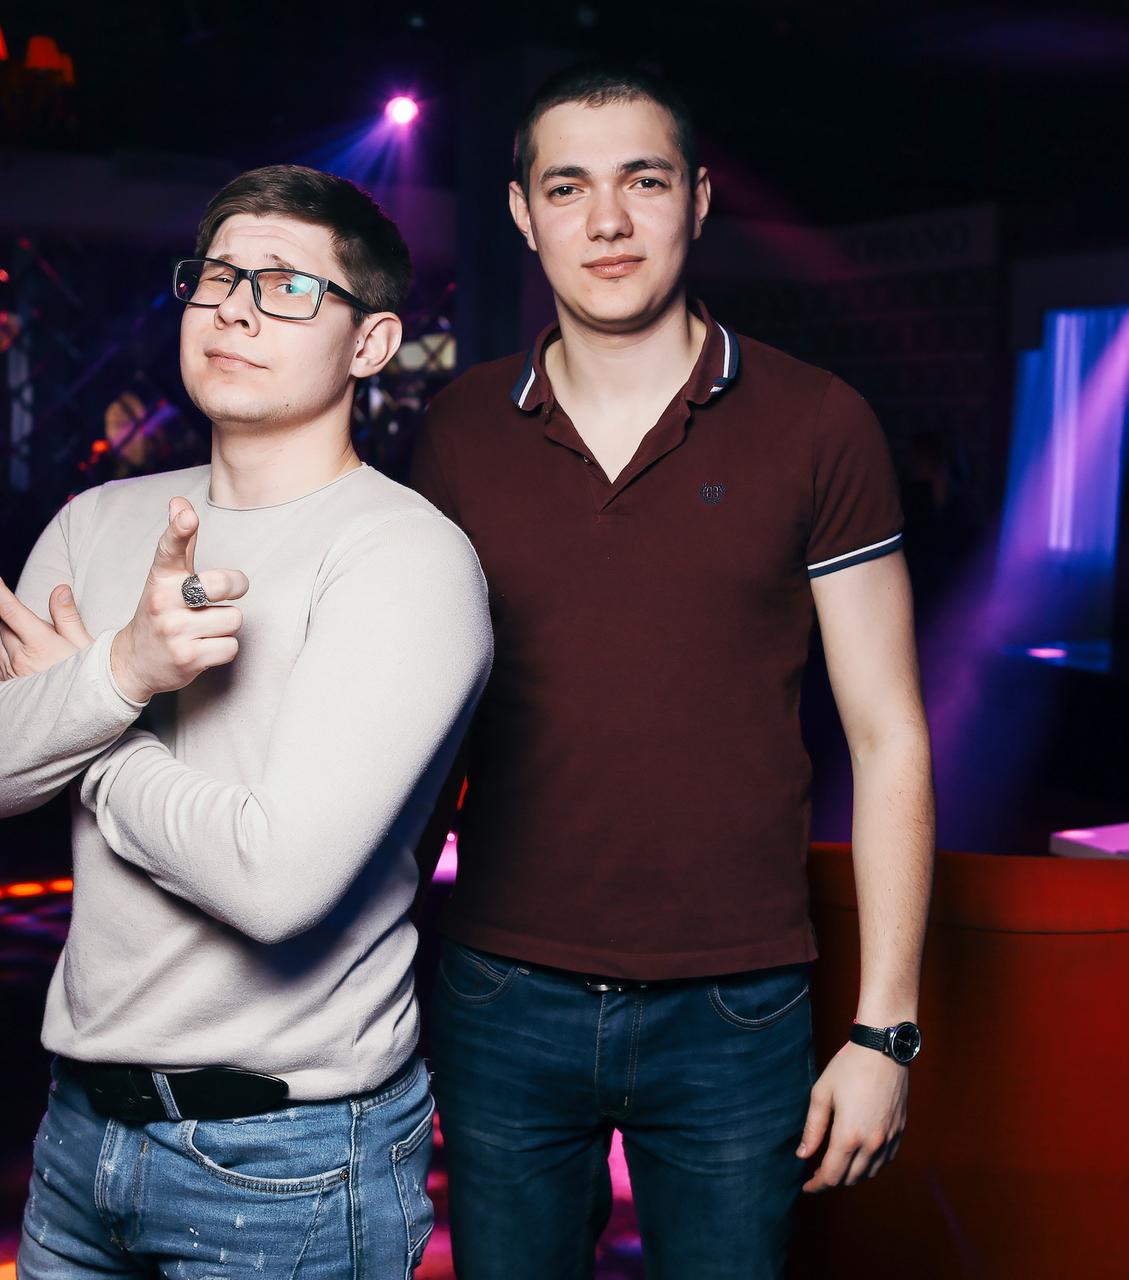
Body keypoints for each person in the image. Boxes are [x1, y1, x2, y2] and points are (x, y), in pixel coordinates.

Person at [409, 64, 936, 1280]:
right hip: (501, 990)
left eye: (641, 181)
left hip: (737, 1004)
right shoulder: (460, 428)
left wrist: (887, 1030)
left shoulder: (820, 422)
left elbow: (889, 732)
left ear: (696, 198)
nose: (606, 220)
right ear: (521, 212)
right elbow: (422, 728)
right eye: (567, 187)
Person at [0, 166, 491, 1279]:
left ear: (372, 343)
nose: (235, 307)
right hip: (78, 1130)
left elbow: (274, 883)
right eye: (218, 276)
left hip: (289, 1156)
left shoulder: (405, 555)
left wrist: (90, 722)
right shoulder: (97, 522)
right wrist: (122, 669)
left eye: (286, 286)